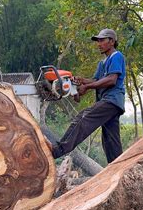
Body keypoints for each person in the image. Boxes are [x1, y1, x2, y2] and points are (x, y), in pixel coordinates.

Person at [51, 28, 126, 163]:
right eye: (98, 41)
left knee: (83, 117)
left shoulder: (117, 56)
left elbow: (111, 80)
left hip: (112, 101)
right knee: (110, 141)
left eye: (102, 40)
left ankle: (58, 150)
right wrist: (80, 81)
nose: (99, 44)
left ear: (112, 41)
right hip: (109, 103)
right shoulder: (102, 62)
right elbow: (96, 80)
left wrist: (87, 86)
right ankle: (119, 167)